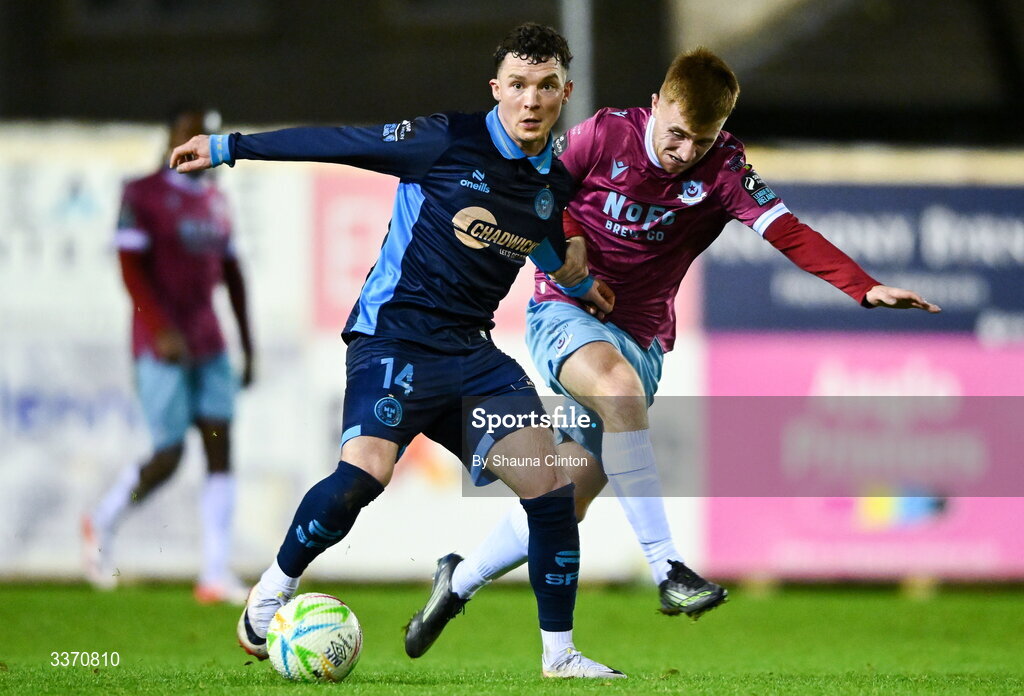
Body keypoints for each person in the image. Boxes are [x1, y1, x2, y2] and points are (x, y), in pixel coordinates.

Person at [403, 46, 942, 655]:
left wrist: (863, 287)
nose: (686, 152)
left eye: (702, 140)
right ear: (656, 105)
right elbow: (538, 192)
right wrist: (572, 244)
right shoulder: (605, 134)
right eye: (678, 134)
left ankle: (458, 581)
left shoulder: (726, 168)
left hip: (643, 338)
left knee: (559, 503)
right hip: (566, 311)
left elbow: (788, 231)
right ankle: (668, 570)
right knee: (617, 390)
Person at [170, 23, 624, 679]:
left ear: (564, 93)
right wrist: (229, 146)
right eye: (519, 85)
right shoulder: (444, 140)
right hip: (396, 340)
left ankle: (560, 656)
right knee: (365, 477)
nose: (531, 99)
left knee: (551, 488)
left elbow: (547, 246)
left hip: (473, 359)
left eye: (546, 86)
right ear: (496, 89)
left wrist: (582, 284)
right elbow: (339, 143)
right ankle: (271, 588)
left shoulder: (551, 182)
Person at [82, 105, 256, 604]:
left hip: (208, 341)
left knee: (220, 445)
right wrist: (160, 329)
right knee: (170, 454)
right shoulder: (142, 194)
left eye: (206, 136)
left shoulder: (216, 201)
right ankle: (102, 521)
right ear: (170, 139)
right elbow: (132, 270)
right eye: (187, 133)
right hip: (160, 343)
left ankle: (215, 572)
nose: (195, 143)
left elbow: (235, 278)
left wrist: (247, 343)